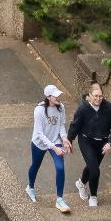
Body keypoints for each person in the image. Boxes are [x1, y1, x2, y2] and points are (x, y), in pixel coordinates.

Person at [68, 81, 111, 207]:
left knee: (92, 167)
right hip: (86, 141)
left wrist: (110, 143)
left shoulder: (109, 108)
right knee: (95, 170)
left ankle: (81, 183)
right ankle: (93, 196)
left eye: (100, 96)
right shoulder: (83, 108)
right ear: (90, 95)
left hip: (102, 143)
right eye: (96, 96)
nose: (98, 99)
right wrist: (69, 140)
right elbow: (75, 125)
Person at [26, 84, 70, 212]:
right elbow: (40, 133)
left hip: (55, 140)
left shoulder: (61, 107)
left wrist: (64, 139)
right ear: (49, 97)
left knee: (60, 167)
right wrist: (53, 147)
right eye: (55, 95)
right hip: (40, 142)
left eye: (58, 95)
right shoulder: (39, 110)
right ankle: (31, 188)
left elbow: (61, 125)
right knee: (35, 166)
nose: (58, 97)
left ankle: (60, 199)